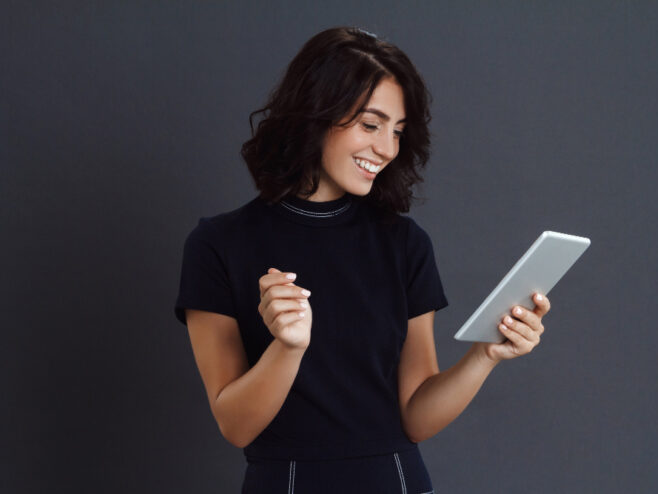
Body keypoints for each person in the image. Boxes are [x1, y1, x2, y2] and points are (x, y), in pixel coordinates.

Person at [174, 26, 551, 494]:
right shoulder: (219, 244)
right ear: (315, 113)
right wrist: (287, 348)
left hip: (397, 481)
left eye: (397, 131)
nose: (387, 149)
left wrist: (485, 355)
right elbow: (235, 425)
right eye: (370, 125)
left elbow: (415, 416)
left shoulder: (405, 243)